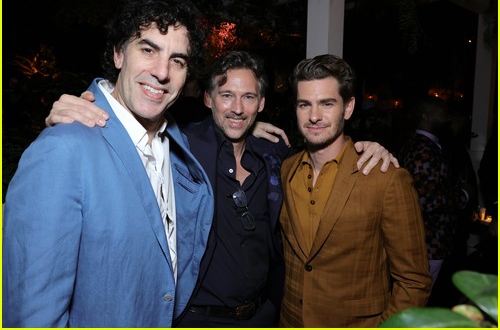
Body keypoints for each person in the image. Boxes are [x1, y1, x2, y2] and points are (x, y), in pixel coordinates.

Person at [45, 51, 399, 327]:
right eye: (226, 95)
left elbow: (324, 153)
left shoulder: (278, 157)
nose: (237, 108)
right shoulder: (177, 144)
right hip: (195, 318)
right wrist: (78, 110)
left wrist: (368, 147)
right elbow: (128, 130)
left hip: (264, 316)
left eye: (248, 98)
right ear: (208, 99)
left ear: (261, 105)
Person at [3, 0, 214, 327]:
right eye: (148, 50)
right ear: (118, 54)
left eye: (178, 60)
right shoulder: (62, 150)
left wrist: (251, 128)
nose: (162, 72)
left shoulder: (176, 145)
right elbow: (32, 313)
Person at [279, 54, 431, 327]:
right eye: (305, 104)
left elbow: (414, 281)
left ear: (348, 108)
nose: (314, 116)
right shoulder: (286, 169)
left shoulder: (386, 179)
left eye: (327, 104)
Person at [399, 96, 469, 288]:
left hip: (432, 239)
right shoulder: (422, 148)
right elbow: (425, 200)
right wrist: (463, 196)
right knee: (418, 297)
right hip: (428, 240)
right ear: (425, 117)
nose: (448, 119)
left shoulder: (425, 144)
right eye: (443, 114)